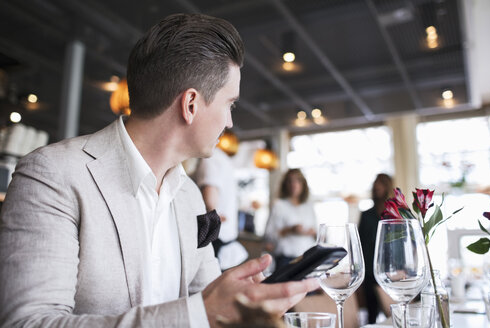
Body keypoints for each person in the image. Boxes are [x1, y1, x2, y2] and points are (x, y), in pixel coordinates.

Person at [0, 13, 318, 328]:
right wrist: (201, 313)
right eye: (229, 104)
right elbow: (28, 323)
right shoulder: (52, 175)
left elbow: (207, 307)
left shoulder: (190, 196)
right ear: (190, 104)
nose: (230, 122)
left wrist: (240, 308)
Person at [194, 146, 248, 270]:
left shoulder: (211, 158)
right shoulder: (225, 160)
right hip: (227, 245)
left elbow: (210, 195)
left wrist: (212, 211)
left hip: (216, 245)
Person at [264, 168, 317, 274]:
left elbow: (317, 233)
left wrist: (311, 232)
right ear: (285, 184)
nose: (294, 184)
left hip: (307, 258)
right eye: (290, 181)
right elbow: (269, 235)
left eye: (297, 180)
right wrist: (289, 230)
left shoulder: (308, 207)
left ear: (303, 184)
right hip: (286, 259)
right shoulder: (279, 205)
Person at [358, 173, 394, 324]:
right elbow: (359, 245)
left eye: (381, 183)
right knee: (371, 314)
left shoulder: (397, 214)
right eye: (376, 184)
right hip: (370, 273)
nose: (377, 186)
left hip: (393, 272)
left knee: (395, 313)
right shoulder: (366, 216)